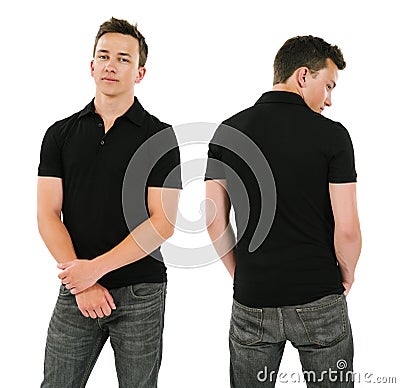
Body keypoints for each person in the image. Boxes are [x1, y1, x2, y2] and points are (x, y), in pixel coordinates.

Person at [205, 35, 362, 387]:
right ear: (303, 76)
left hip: (253, 298)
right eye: (328, 86)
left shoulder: (227, 132)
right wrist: (347, 275)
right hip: (319, 295)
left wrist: (240, 274)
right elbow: (348, 229)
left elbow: (214, 221)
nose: (330, 101)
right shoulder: (333, 137)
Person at [37, 17, 181, 387]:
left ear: (140, 72)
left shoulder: (160, 137)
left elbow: (163, 222)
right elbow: (47, 213)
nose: (111, 65)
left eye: (123, 58)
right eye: (104, 56)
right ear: (91, 66)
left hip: (141, 292)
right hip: (77, 289)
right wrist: (82, 282)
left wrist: (94, 270)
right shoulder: (60, 134)